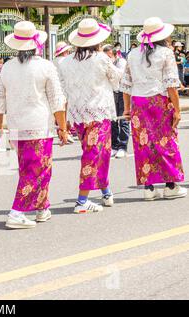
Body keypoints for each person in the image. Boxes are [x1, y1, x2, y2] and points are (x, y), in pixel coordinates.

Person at [0, 21, 67, 229]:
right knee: (37, 170)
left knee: (31, 168)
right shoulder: (45, 66)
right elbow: (56, 100)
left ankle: (42, 207)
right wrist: (62, 126)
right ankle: (17, 211)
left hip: (16, 127)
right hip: (39, 125)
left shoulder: (7, 67)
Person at [58, 18, 122, 214]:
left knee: (97, 152)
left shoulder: (66, 61)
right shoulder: (102, 58)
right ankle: (82, 200)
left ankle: (105, 190)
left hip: (78, 113)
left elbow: (62, 90)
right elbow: (117, 79)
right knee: (94, 154)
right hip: (98, 111)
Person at [120, 17, 186, 200]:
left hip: (138, 102)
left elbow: (126, 84)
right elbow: (171, 84)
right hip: (160, 101)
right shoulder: (166, 53)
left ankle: (148, 188)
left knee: (143, 144)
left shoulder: (133, 54)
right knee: (166, 141)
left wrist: (126, 108)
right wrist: (178, 110)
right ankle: (170, 185)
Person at [103, 44, 129, 158]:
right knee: (113, 121)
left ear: (115, 54)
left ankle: (122, 147)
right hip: (111, 93)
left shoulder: (121, 62)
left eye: (109, 56)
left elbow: (118, 76)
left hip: (122, 93)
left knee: (123, 121)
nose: (107, 59)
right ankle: (114, 145)